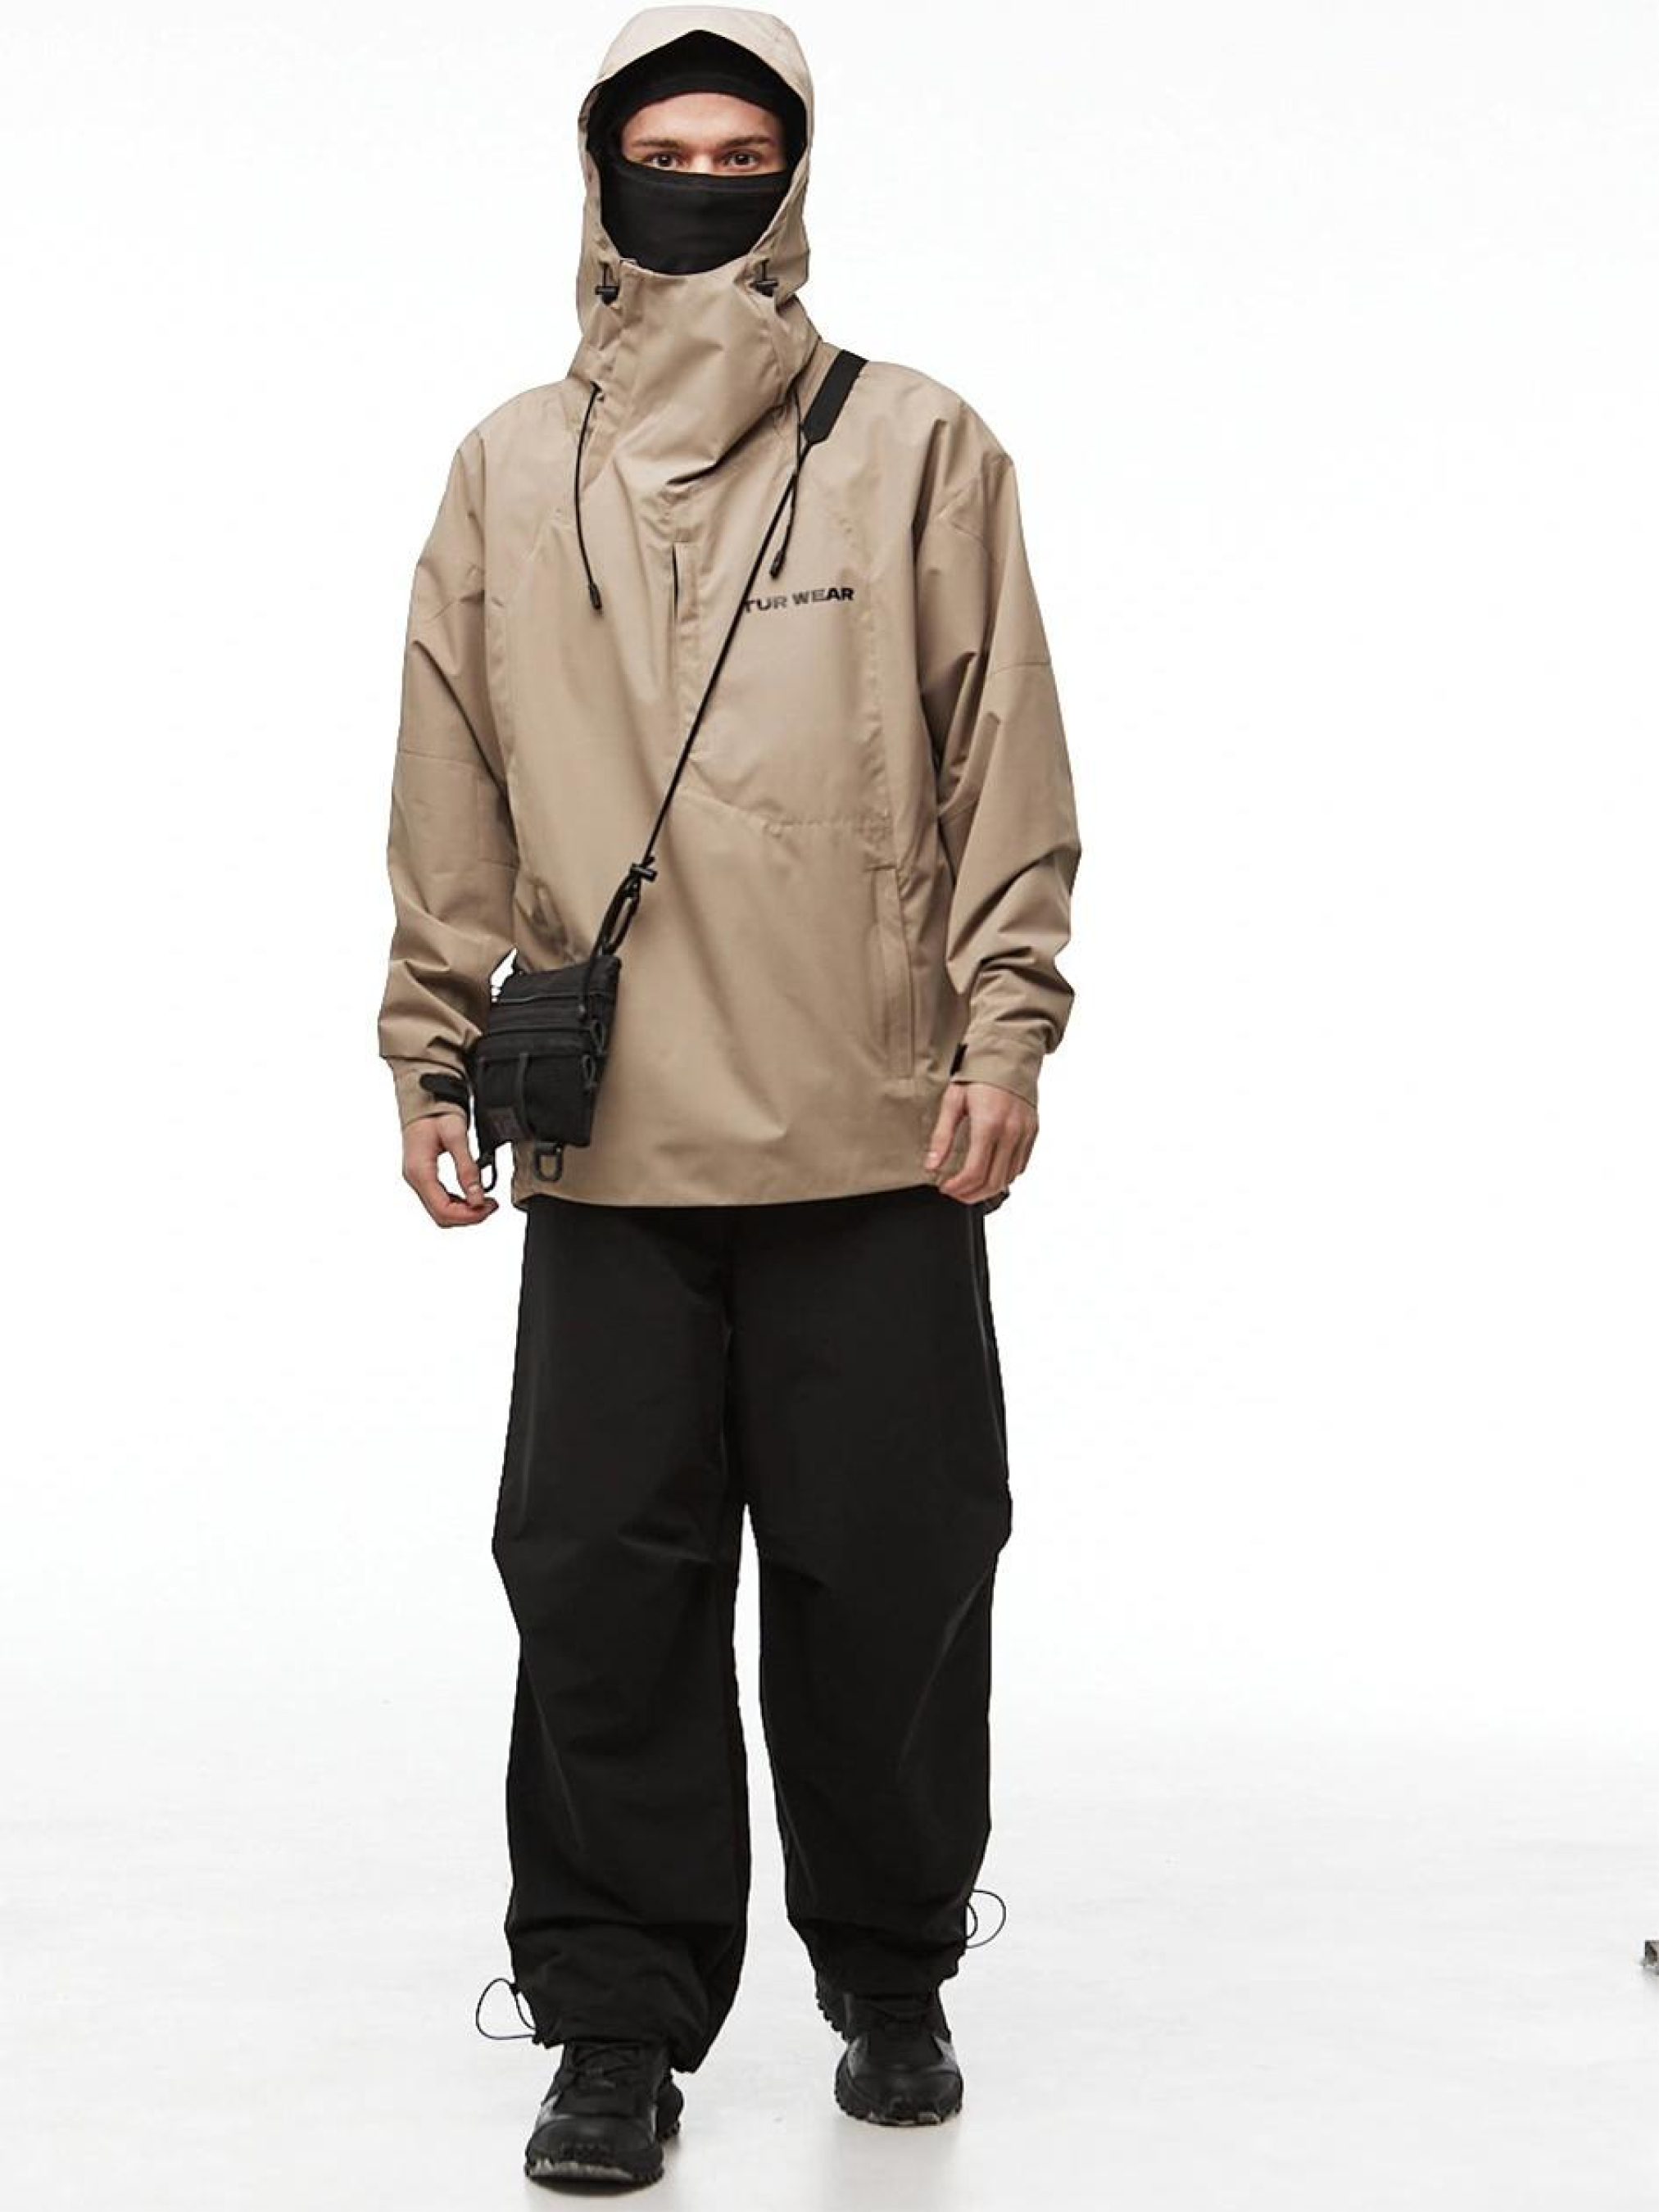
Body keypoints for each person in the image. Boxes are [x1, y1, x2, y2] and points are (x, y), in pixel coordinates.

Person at [375, 4, 1081, 2188]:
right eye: (662, 150)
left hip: (871, 1115)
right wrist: (425, 1042)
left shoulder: (919, 442)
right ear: (601, 171)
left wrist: (1004, 1027)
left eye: (738, 152)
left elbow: (1002, 748)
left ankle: (891, 1973)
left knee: (893, 1569)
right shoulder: (510, 465)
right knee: (600, 1582)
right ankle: (612, 2023)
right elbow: (450, 769)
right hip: (606, 1136)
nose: (698, 185)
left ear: (795, 179)